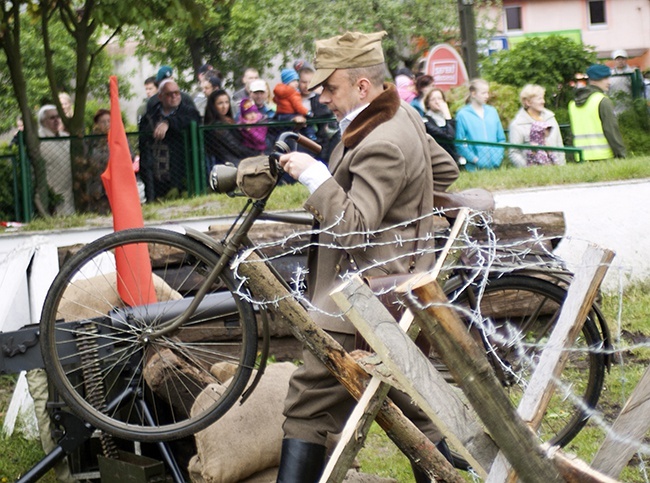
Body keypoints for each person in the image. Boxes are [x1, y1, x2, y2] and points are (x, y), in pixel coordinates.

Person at [275, 30, 459, 482]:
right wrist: (405, 211)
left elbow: (354, 230)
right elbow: (445, 170)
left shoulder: (383, 139)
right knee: (414, 404)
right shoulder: (401, 116)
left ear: (361, 86)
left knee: (307, 403)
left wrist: (317, 176)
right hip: (394, 286)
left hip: (364, 298)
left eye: (330, 89)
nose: (323, 100)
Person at [138, 78, 201, 201]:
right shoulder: (150, 116)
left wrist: (168, 123)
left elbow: (193, 120)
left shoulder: (188, 111)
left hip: (183, 175)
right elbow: (143, 146)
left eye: (176, 93)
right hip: (157, 175)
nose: (174, 97)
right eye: (169, 94)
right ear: (160, 96)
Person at [569, 64, 626, 161]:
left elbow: (571, 135)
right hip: (604, 158)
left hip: (580, 159)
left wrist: (571, 159)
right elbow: (611, 130)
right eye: (605, 78)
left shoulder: (573, 103)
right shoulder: (602, 101)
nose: (609, 82)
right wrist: (621, 155)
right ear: (594, 80)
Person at [455, 78, 506, 171]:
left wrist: (498, 157)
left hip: (495, 167)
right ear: (473, 94)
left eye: (487, 92)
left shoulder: (492, 111)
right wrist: (474, 159)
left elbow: (501, 138)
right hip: (474, 168)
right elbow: (459, 143)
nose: (487, 96)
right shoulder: (462, 114)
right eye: (483, 93)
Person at [508, 84, 565, 167]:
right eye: (539, 99)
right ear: (528, 102)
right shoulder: (517, 124)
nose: (543, 101)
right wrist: (528, 169)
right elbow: (514, 153)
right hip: (532, 173)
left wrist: (562, 167)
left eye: (543, 98)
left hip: (556, 170)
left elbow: (559, 145)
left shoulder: (551, 118)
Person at [203, 89, 260, 169]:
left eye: (226, 102)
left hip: (237, 160)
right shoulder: (217, 126)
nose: (224, 106)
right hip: (231, 164)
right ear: (213, 106)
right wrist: (256, 154)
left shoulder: (228, 121)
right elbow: (234, 146)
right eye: (220, 103)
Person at [38, 104, 75, 215]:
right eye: (52, 117)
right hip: (53, 193)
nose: (56, 120)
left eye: (58, 117)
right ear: (43, 121)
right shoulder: (38, 140)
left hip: (70, 191)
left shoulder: (66, 137)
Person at [79, 108, 112, 213]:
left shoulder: (119, 138)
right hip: (96, 183)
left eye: (109, 121)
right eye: (103, 122)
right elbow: (86, 159)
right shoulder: (91, 141)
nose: (107, 124)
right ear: (97, 124)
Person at [423, 88, 459, 163]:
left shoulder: (446, 118)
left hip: (452, 158)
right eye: (433, 99)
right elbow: (449, 136)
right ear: (427, 103)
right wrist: (447, 114)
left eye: (439, 98)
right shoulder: (426, 121)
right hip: (437, 158)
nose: (437, 102)